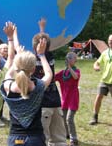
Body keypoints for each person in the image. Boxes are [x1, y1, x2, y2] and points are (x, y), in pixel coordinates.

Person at [0, 37, 53, 146]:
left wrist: (18, 58)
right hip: (35, 139)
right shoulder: (38, 86)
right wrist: (42, 55)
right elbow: (49, 74)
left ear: (16, 67)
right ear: (33, 69)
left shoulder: (8, 87)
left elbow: (8, 75)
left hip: (15, 138)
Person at [32, 18, 67, 146]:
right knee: (52, 138)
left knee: (51, 138)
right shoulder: (43, 57)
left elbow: (41, 45)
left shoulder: (41, 57)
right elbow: (42, 46)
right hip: (49, 103)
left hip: (49, 104)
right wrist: (42, 29)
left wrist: (42, 29)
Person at [55, 52, 80, 146]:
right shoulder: (62, 73)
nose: (68, 59)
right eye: (67, 57)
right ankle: (66, 134)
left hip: (73, 100)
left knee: (69, 119)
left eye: (71, 58)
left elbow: (75, 77)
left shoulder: (77, 71)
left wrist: (69, 67)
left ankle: (74, 139)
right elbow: (52, 78)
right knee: (63, 118)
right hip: (65, 100)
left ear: (75, 60)